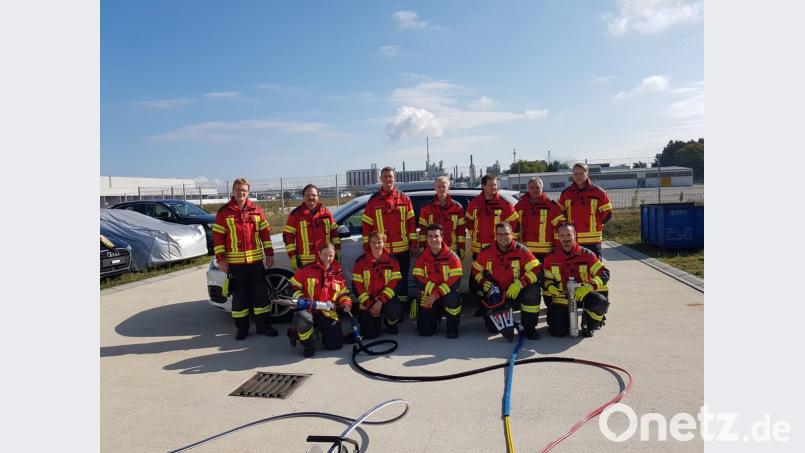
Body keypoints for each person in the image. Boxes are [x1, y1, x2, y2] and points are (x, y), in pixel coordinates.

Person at [211, 178, 278, 340]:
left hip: (255, 263)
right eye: (238, 190)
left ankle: (263, 326)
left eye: (244, 191)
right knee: (240, 299)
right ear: (233, 191)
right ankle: (242, 329)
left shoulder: (256, 210)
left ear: (248, 192)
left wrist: (269, 253)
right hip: (236, 265)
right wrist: (220, 259)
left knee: (260, 296)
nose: (241, 193)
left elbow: (265, 234)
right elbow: (218, 238)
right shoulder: (224, 212)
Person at [361, 167, 417, 318]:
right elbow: (366, 225)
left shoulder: (404, 198)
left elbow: (411, 223)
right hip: (382, 251)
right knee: (383, 280)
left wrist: (413, 243)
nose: (388, 179)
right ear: (380, 179)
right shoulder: (373, 201)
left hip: (402, 249)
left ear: (395, 178)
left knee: (402, 280)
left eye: (390, 176)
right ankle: (387, 308)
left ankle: (401, 308)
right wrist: (367, 247)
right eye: (385, 177)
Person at [471, 222, 542, 340]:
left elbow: (537, 269)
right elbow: (475, 270)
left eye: (506, 234)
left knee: (532, 291)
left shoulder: (521, 251)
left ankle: (529, 328)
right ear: (495, 235)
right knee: (492, 328)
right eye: (499, 234)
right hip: (497, 295)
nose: (502, 237)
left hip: (517, 292)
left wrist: (520, 283)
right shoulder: (486, 252)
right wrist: (483, 282)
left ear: (512, 234)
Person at [542, 223, 610, 337]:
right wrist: (550, 287)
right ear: (558, 237)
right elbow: (545, 278)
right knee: (557, 332)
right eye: (562, 235)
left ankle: (589, 323)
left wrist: (589, 286)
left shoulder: (586, 254)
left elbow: (604, 273)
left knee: (601, 302)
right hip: (563, 298)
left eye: (568, 235)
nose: (565, 239)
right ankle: (563, 319)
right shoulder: (551, 257)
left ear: (574, 235)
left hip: (583, 295)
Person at [466, 174, 519, 315]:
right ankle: (482, 306)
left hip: (497, 250)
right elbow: (469, 221)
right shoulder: (474, 203)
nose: (494, 187)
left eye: (495, 185)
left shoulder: (504, 204)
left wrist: (508, 243)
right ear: (483, 186)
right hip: (479, 249)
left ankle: (499, 305)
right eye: (490, 185)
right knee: (477, 280)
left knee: (496, 279)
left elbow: (514, 224)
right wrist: (475, 234)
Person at [288, 243, 352, 357]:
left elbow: (343, 293)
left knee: (335, 345)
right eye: (325, 255)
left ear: (334, 256)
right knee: (303, 320)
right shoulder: (306, 269)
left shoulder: (337, 273)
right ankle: (307, 344)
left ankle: (319, 332)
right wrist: (302, 299)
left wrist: (346, 302)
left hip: (327, 313)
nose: (327, 258)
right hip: (308, 310)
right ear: (319, 254)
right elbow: (292, 287)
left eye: (331, 255)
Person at [514, 177, 566, 309]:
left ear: (542, 188)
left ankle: (552, 308)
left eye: (537, 187)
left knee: (547, 281)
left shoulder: (552, 206)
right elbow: (513, 228)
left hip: (547, 253)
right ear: (528, 189)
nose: (535, 190)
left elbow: (559, 228)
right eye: (532, 187)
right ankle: (528, 309)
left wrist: (556, 248)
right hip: (526, 254)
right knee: (529, 282)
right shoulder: (519, 206)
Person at [412, 223, 464, 338]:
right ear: (427, 239)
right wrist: (432, 295)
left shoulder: (452, 257)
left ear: (441, 237)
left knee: (453, 300)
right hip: (429, 294)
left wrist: (435, 295)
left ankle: (452, 328)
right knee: (424, 332)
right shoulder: (422, 257)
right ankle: (435, 317)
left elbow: (455, 282)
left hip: (446, 294)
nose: (433, 239)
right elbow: (418, 279)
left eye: (436, 236)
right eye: (430, 236)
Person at [351, 231, 404, 338]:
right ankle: (372, 321)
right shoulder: (361, 262)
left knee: (395, 310)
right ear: (369, 244)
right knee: (371, 335)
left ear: (384, 243)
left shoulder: (392, 260)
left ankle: (390, 324)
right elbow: (357, 287)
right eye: (373, 243)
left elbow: (396, 283)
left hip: (386, 299)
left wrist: (380, 301)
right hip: (368, 301)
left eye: (379, 242)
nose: (376, 245)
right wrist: (369, 305)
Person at [558, 163, 612, 258]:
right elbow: (561, 215)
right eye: (575, 174)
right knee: (574, 268)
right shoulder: (566, 193)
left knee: (594, 268)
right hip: (573, 239)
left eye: (581, 173)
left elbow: (607, 214)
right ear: (572, 175)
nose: (578, 176)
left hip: (593, 240)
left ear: (587, 173)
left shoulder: (599, 192)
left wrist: (597, 224)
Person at [283, 184, 341, 270]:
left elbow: (334, 234)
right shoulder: (295, 214)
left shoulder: (326, 213)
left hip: (324, 260)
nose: (311, 197)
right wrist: (293, 257)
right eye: (307, 195)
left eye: (314, 195)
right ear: (303, 197)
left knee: (325, 283)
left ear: (318, 197)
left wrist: (337, 251)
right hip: (305, 263)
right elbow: (288, 237)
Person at [416, 176, 466, 259]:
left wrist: (461, 249)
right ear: (435, 188)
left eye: (444, 186)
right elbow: (422, 231)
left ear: (448, 188)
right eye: (439, 186)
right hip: (432, 251)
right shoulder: (426, 208)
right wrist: (422, 249)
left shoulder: (457, 207)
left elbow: (461, 231)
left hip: (451, 250)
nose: (441, 189)